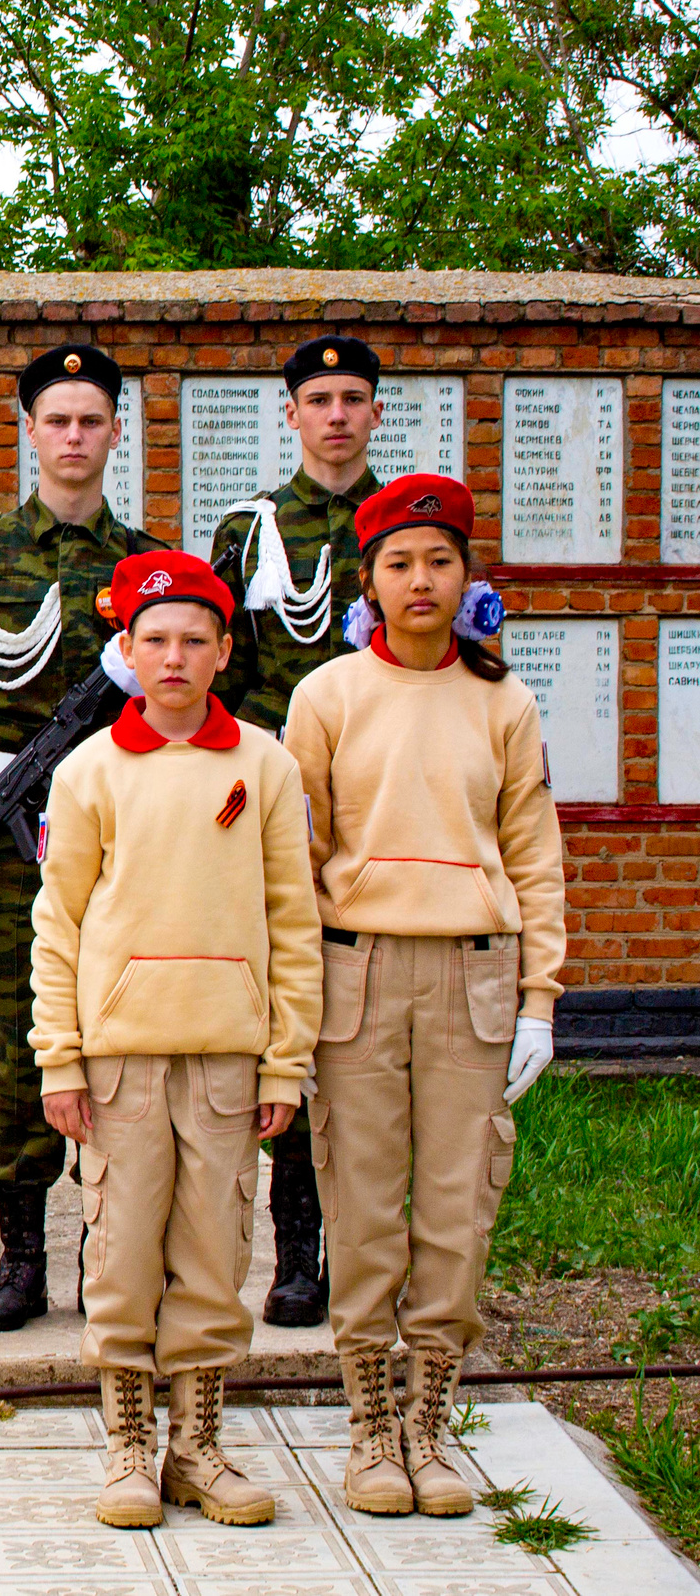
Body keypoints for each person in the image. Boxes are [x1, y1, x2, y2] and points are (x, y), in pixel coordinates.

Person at [284, 473, 563, 1518]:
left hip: (473, 976)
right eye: (398, 563)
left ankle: (429, 1421)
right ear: (369, 581)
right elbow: (297, 857)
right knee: (360, 1212)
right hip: (356, 972)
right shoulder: (328, 696)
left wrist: (540, 996)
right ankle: (367, 1427)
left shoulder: (502, 702)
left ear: (463, 576)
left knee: (455, 1208)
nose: (419, 580)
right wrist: (297, 998)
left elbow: (534, 858)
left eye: (437, 561)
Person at [31, 550, 319, 1530]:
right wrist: (59, 1056)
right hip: (120, 1058)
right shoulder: (88, 772)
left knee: (212, 1251)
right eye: (153, 640)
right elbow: (57, 924)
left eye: (195, 639)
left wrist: (286, 1057)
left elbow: (293, 921)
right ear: (126, 649)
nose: (174, 657)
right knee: (118, 1254)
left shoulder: (265, 766)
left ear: (224, 650)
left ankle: (196, 1446)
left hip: (230, 1055)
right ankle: (126, 1445)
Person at [0, 343, 169, 1330]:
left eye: (91, 420)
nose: (73, 437)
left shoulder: (149, 569)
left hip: (128, 835)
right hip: (12, 845)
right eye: (57, 419)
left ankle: (111, 1250)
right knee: (18, 1044)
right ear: (28, 431)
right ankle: (21, 1261)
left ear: (114, 432)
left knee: (125, 1038)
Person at [207, 334, 391, 1328]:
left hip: (377, 806)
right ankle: (285, 1257)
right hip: (272, 804)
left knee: (356, 1027)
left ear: (373, 412)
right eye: (317, 398)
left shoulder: (402, 526)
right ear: (290, 414)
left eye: (352, 397)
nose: (334, 415)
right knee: (282, 1015)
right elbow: (212, 674)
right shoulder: (248, 531)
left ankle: (337, 1249)